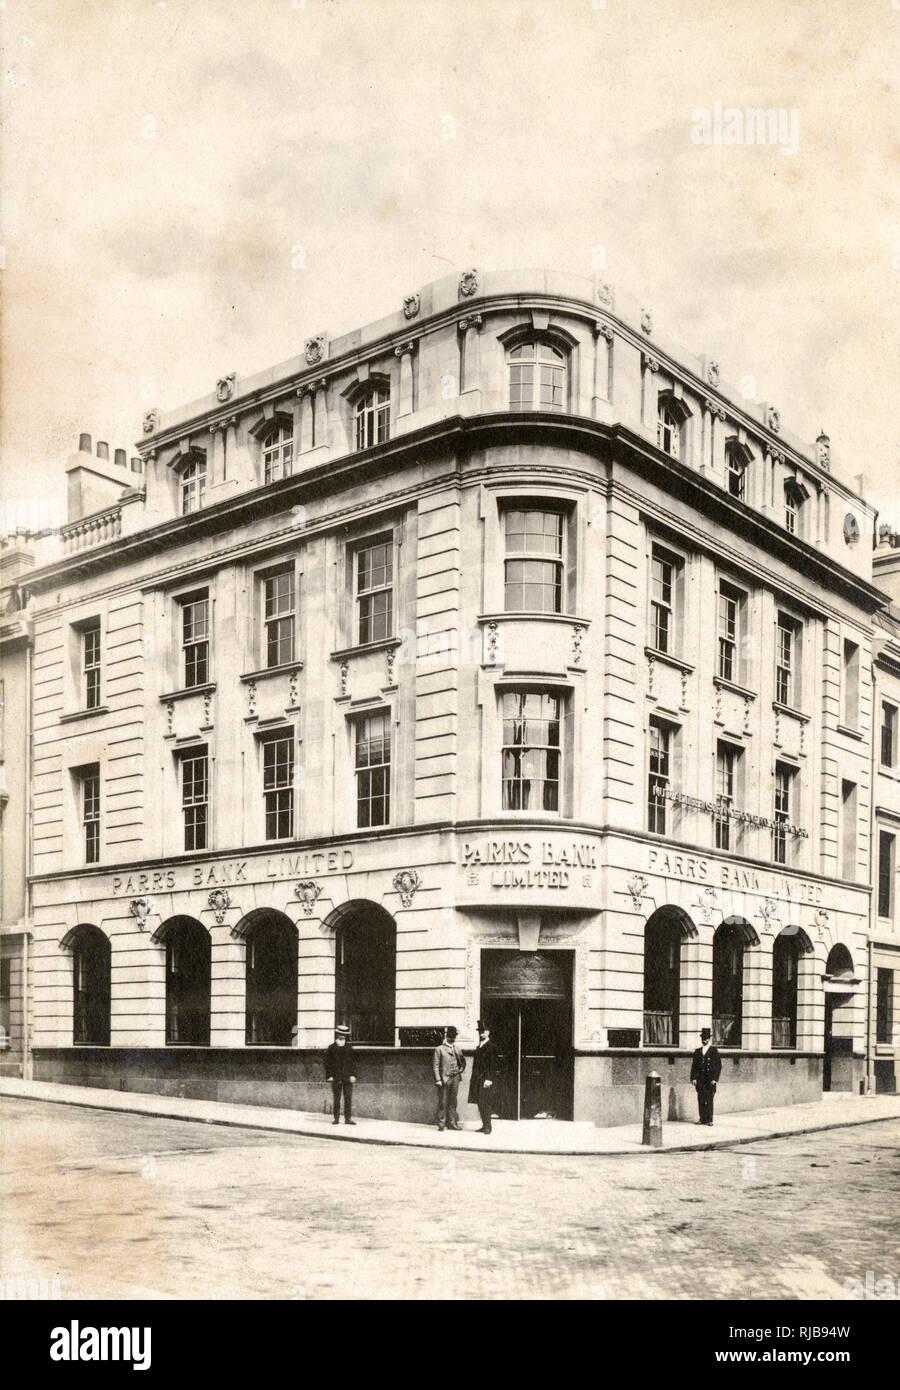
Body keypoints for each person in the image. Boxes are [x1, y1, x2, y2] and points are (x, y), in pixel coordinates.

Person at [432, 1025, 466, 1131]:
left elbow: (462, 1062)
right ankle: (441, 1123)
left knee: (453, 1101)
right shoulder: (439, 1049)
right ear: (447, 1037)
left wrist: (460, 1070)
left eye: (454, 1036)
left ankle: (452, 1123)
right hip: (444, 1079)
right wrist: (438, 1079)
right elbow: (435, 1066)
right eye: (450, 1036)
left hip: (455, 1078)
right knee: (442, 1101)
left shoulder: (457, 1049)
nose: (452, 1038)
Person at [468, 1019, 499, 1134]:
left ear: (488, 1032)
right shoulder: (479, 1046)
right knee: (480, 1103)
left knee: (485, 1103)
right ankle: (484, 1124)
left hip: (486, 1079)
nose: (481, 1033)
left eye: (484, 1031)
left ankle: (488, 1127)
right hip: (477, 1078)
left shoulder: (492, 1047)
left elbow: (493, 1065)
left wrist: (489, 1079)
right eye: (480, 1031)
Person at [325, 1023, 357, 1125]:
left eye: (344, 1034)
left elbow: (353, 1063)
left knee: (348, 1098)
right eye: (340, 1034)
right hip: (336, 1076)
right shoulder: (331, 1048)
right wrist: (329, 1075)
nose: (341, 1036)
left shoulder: (349, 1048)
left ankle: (348, 1119)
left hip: (347, 1076)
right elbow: (327, 1063)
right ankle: (336, 1118)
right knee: (337, 1098)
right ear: (337, 1034)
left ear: (346, 1035)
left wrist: (353, 1075)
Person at [690, 1027, 722, 1125]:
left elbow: (718, 1066)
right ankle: (702, 1118)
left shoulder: (714, 1050)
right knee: (701, 1099)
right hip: (700, 1080)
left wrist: (715, 1079)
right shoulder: (698, 1051)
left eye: (706, 1038)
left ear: (709, 1039)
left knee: (709, 1099)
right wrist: (693, 1078)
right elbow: (694, 1066)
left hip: (710, 1080)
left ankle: (709, 1119)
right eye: (703, 1038)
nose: (704, 1040)